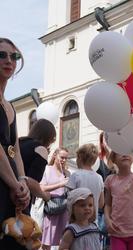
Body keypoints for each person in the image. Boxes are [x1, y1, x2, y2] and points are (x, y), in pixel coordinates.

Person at [0, 37, 30, 249]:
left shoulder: (10, 105)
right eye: (2, 55)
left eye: (14, 56)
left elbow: (15, 149)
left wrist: (23, 182)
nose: (9, 60)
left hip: (11, 189)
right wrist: (15, 184)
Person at [104, 150, 133, 250]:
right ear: (114, 159)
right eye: (120, 151)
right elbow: (108, 204)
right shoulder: (110, 180)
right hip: (117, 232)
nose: (125, 153)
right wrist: (107, 220)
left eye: (129, 151)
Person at [19, 118, 57, 213]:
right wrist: (45, 195)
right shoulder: (40, 149)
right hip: (20, 199)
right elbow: (30, 181)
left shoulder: (19, 142)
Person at [66, 143, 105, 223]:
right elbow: (101, 203)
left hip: (77, 222)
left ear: (79, 157)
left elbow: (69, 200)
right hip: (93, 222)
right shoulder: (99, 178)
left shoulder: (76, 175)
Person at [40, 147, 70, 250]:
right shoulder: (47, 169)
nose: (64, 160)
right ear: (55, 156)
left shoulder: (66, 173)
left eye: (66, 158)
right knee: (46, 242)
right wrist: (60, 184)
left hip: (63, 210)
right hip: (51, 209)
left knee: (63, 241)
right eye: (62, 157)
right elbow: (42, 187)